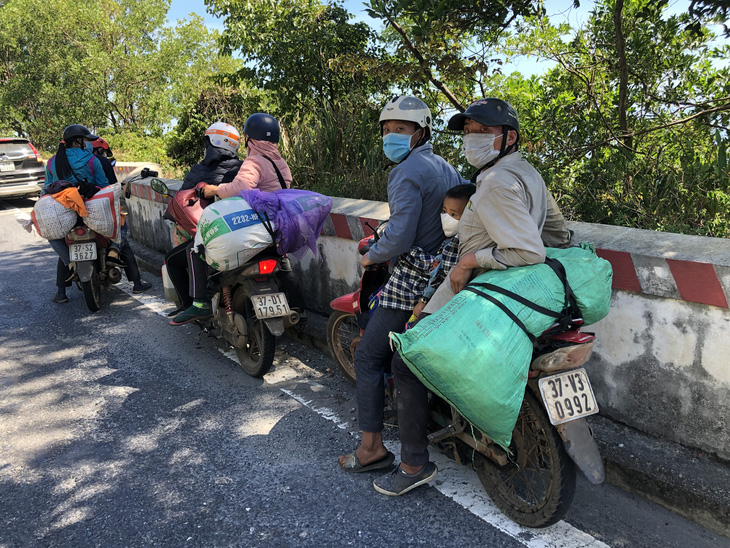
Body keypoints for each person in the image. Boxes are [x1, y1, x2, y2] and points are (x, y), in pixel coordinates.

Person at [372, 98, 572, 496]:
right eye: (467, 132)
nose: (471, 139)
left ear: (509, 137)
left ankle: (412, 465)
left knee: (407, 361)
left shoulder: (496, 181)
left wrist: (469, 263)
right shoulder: (527, 173)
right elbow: (559, 235)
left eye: (482, 132)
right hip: (515, 287)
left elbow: (530, 250)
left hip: (477, 285)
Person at [338, 96, 464, 474]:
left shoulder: (405, 172)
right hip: (447, 271)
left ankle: (371, 448)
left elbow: (400, 236)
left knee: (368, 355)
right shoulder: (445, 167)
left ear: (420, 132)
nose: (392, 136)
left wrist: (369, 256)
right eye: (387, 130)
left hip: (415, 277)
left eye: (401, 130)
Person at [165, 122, 243, 322]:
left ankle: (192, 305)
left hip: (214, 234)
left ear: (211, 142)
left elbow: (182, 201)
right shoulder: (244, 169)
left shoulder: (199, 171)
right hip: (245, 229)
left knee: (174, 260)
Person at [44, 124, 109, 304]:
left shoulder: (51, 162)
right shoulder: (92, 160)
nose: (88, 143)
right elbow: (104, 186)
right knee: (121, 226)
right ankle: (116, 259)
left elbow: (46, 188)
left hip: (63, 214)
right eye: (87, 140)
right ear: (79, 141)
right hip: (90, 211)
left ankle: (62, 287)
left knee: (55, 238)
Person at [89, 137, 152, 294]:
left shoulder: (67, 161)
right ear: (99, 150)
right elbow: (112, 187)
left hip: (78, 210)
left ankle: (61, 291)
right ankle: (136, 282)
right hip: (102, 208)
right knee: (122, 235)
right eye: (103, 152)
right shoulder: (101, 162)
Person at [410, 183, 476, 322]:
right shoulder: (449, 242)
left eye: (453, 214)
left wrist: (424, 300)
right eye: (444, 211)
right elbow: (437, 273)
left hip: (448, 308)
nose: (446, 217)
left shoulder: (461, 244)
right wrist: (424, 299)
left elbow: (438, 274)